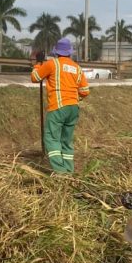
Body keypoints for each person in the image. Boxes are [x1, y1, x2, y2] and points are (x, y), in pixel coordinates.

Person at [31, 38, 89, 173]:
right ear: (70, 53)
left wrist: (38, 64)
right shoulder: (77, 68)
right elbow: (85, 91)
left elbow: (35, 78)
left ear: (56, 52)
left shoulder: (52, 64)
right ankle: (69, 170)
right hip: (73, 107)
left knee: (51, 138)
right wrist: (75, 98)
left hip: (58, 106)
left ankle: (60, 172)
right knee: (66, 140)